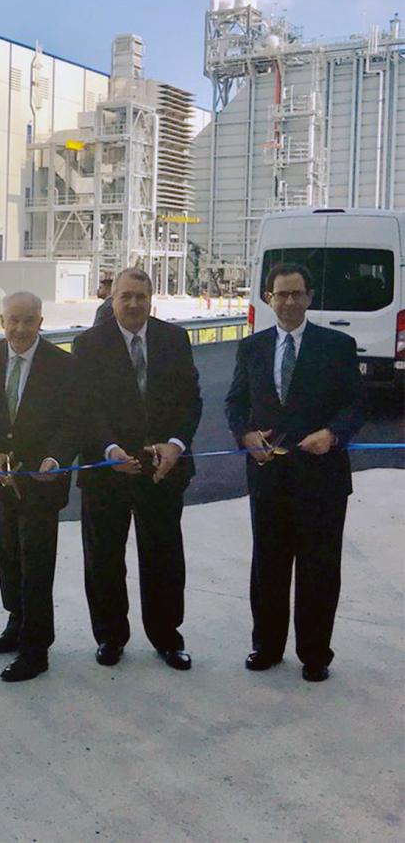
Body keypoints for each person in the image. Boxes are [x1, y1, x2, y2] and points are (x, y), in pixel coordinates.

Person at [224, 262, 364, 683]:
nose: (288, 301)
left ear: (309, 297)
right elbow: (235, 403)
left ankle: (315, 653)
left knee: (319, 569)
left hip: (322, 477)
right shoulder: (252, 347)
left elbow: (356, 405)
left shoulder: (337, 346)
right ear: (268, 298)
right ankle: (267, 647)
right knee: (268, 566)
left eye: (296, 294)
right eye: (281, 294)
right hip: (268, 477)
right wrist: (246, 436)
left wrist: (332, 434)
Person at [72, 267, 202, 672]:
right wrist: (109, 449)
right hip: (107, 470)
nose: (133, 304)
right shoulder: (88, 344)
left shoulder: (174, 339)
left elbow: (190, 401)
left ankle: (167, 638)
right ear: (112, 300)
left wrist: (175, 445)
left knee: (164, 558)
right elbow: (84, 406)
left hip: (162, 470)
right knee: (104, 558)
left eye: (140, 297)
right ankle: (110, 636)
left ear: (151, 300)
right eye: (125, 296)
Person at [0, 291, 80, 682]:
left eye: (28, 320)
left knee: (36, 565)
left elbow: (72, 423)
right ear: (2, 321)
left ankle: (36, 649)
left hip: (42, 482)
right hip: (2, 480)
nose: (20, 329)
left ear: (40, 322)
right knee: (8, 558)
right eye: (13, 320)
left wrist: (56, 459)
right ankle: (16, 625)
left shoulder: (62, 364)